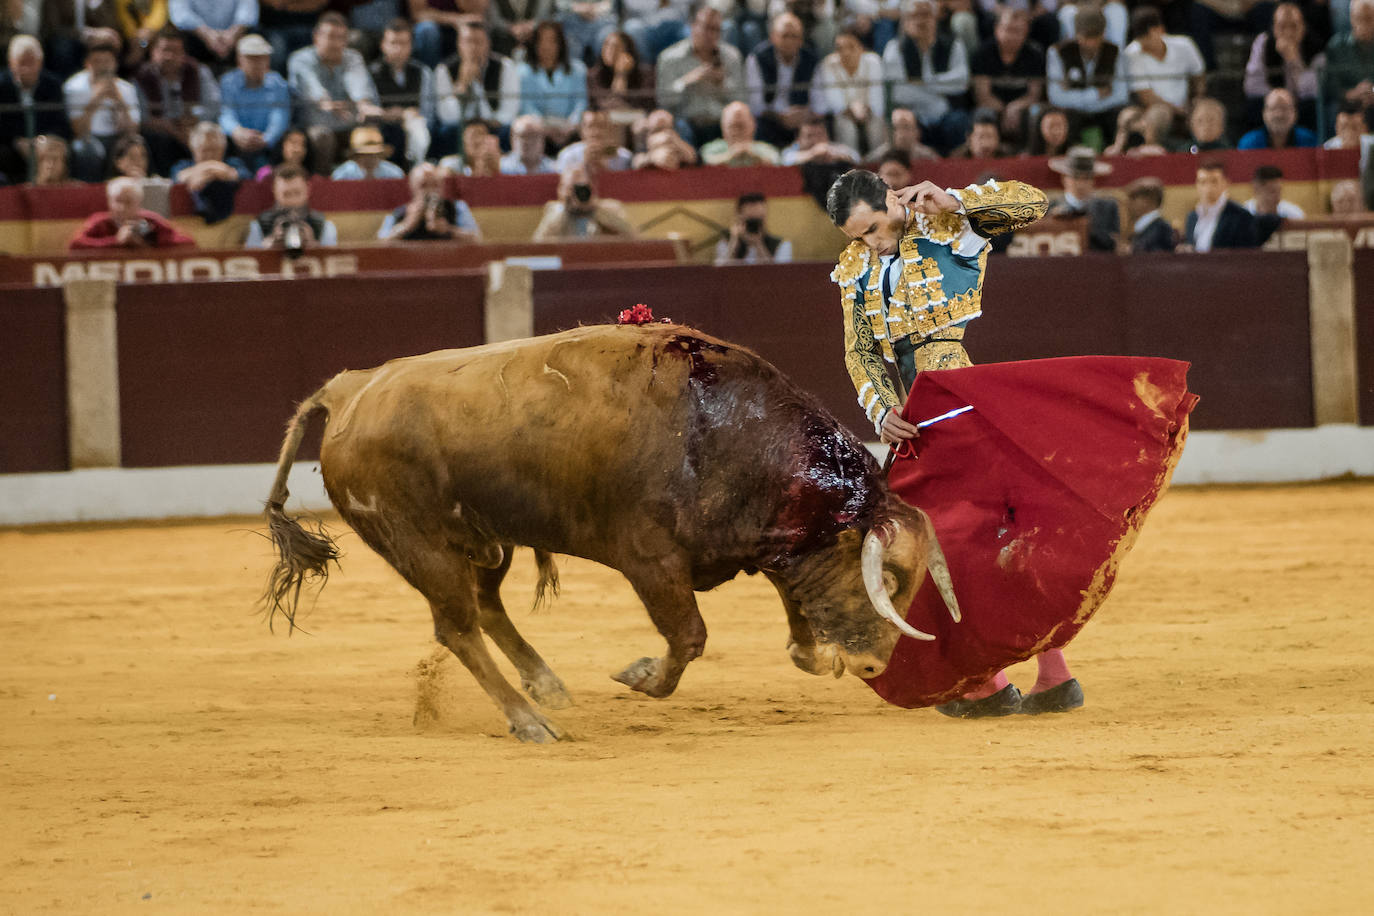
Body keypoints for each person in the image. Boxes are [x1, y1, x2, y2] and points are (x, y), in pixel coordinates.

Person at [824, 168, 1077, 718]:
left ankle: (1000, 681)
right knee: (983, 539)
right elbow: (859, 352)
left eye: (874, 227)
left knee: (963, 541)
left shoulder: (945, 222)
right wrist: (879, 409)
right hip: (914, 420)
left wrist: (957, 199)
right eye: (859, 237)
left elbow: (1032, 203)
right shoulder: (855, 267)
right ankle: (1045, 676)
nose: (872, 242)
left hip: (959, 402)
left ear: (892, 198)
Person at [288, 11, 383, 173]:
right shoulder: (300, 59)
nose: (336, 43)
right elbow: (311, 85)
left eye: (342, 38)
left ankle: (367, 182)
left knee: (369, 130)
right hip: (316, 129)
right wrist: (326, 103)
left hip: (350, 125)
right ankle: (323, 187)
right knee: (322, 137)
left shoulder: (353, 57)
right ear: (316, 36)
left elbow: (356, 81)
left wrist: (363, 105)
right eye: (331, 37)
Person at [882, 0, 971, 154]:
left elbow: (961, 82)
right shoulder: (894, 48)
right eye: (914, 16)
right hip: (914, 116)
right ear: (905, 20)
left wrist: (922, 83)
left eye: (926, 15)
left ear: (936, 18)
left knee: (960, 121)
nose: (920, 21)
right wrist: (941, 88)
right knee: (901, 125)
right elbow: (900, 92)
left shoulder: (953, 44)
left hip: (945, 115)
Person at [654, 4, 745, 147]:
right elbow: (664, 100)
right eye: (706, 27)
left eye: (716, 29)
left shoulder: (731, 57)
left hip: (721, 124)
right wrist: (687, 81)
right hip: (686, 124)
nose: (711, 35)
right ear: (692, 26)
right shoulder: (669, 58)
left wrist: (723, 83)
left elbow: (742, 101)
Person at [1047, 4, 1129, 145]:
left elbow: (1121, 95)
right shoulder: (1057, 52)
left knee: (1123, 116)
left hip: (1106, 111)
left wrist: (1085, 103)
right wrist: (1095, 94)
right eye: (1086, 37)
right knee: (1063, 119)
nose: (1091, 43)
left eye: (1095, 37)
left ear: (1103, 34)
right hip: (1073, 112)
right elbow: (1056, 97)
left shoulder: (1115, 52)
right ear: (1076, 34)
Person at [63, 35, 141, 181]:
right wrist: (96, 100)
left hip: (117, 139)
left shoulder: (126, 89)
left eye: (107, 62)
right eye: (97, 62)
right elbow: (78, 131)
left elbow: (132, 131)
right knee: (85, 150)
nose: (103, 67)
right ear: (87, 64)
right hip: (89, 138)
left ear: (115, 64)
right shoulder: (74, 87)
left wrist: (120, 102)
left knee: (136, 147)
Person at [434, 21, 521, 148]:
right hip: (461, 128)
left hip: (494, 127)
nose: (473, 48)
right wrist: (462, 85)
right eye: (468, 42)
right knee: (446, 132)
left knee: (508, 131)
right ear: (459, 44)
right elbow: (447, 116)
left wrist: (479, 86)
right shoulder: (444, 70)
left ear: (488, 44)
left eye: (478, 42)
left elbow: (509, 112)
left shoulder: (505, 66)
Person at [134, 27, 208, 174]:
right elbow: (140, 116)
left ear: (183, 54)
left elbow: (213, 106)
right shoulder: (141, 76)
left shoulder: (198, 72)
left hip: (192, 130)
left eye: (175, 51)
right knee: (158, 140)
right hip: (160, 133)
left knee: (208, 137)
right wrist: (169, 128)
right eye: (164, 50)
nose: (169, 56)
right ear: (153, 52)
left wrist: (193, 122)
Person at [0, 35, 70, 184]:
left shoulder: (53, 85)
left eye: (31, 63)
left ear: (40, 63)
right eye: (21, 63)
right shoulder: (2, 84)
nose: (26, 68)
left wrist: (45, 141)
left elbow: (60, 122)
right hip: (10, 145)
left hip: (45, 143)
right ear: (11, 63)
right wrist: (17, 141)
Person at [970, 8, 1045, 146]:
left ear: (1026, 32)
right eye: (1007, 29)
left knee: (1035, 113)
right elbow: (982, 95)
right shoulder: (983, 53)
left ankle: (1028, 153)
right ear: (997, 29)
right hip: (992, 104)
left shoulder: (1035, 54)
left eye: (1017, 31)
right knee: (984, 114)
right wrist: (1004, 111)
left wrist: (1015, 108)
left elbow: (1034, 94)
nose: (1011, 36)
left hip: (1021, 105)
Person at [1243, 2, 1324, 129]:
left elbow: (1313, 91)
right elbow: (1251, 85)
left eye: (1293, 26)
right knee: (1254, 105)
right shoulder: (1263, 43)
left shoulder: (1316, 48)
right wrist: (1278, 100)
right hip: (1272, 104)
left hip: (1300, 105)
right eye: (1282, 26)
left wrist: (1294, 61)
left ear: (1303, 27)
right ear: (1274, 28)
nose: (1288, 32)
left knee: (1313, 106)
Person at [744, 11, 819, 148]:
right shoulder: (757, 58)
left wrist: (804, 113)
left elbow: (820, 102)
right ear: (773, 37)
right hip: (770, 119)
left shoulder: (811, 60)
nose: (789, 41)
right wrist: (780, 116)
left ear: (801, 40)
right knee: (759, 125)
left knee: (821, 125)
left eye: (794, 36)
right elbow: (756, 105)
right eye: (784, 36)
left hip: (802, 119)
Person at [219, 33, 291, 175]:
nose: (256, 63)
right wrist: (238, 132)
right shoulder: (228, 82)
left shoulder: (278, 83)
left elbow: (280, 116)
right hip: (237, 142)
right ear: (240, 60)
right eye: (251, 58)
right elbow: (226, 114)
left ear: (268, 61)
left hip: (268, 143)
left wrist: (266, 138)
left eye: (261, 58)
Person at [370, 18, 437, 167]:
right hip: (385, 129)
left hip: (417, 126)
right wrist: (394, 115)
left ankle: (419, 166)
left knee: (423, 131)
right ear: (383, 45)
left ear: (411, 46)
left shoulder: (423, 72)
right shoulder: (372, 73)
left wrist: (412, 116)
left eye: (404, 43)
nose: (398, 49)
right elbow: (371, 110)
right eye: (393, 43)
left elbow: (429, 112)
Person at [1123, 6, 1206, 123]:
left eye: (1148, 38)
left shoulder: (1185, 44)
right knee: (1158, 115)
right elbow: (1146, 96)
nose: (1144, 45)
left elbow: (1198, 76)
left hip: (1187, 106)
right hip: (1156, 112)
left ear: (1160, 29)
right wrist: (1178, 110)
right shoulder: (1132, 54)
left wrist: (1197, 99)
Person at [69, 175, 195, 249]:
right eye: (118, 201)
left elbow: (188, 242)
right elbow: (75, 244)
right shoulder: (101, 222)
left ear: (138, 204)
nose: (122, 207)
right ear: (109, 202)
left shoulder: (151, 221)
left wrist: (151, 241)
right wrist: (116, 241)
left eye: (128, 202)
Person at [816, 26, 887, 158]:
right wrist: (851, 110)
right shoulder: (828, 64)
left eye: (851, 47)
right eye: (840, 48)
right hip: (844, 114)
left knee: (876, 124)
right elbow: (834, 101)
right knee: (846, 127)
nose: (845, 53)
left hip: (870, 112)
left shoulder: (873, 61)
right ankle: (850, 167)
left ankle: (876, 164)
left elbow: (877, 98)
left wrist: (866, 111)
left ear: (861, 48)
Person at [519, 19, 588, 149]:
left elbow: (580, 103)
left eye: (552, 41)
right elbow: (527, 106)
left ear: (560, 44)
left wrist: (570, 127)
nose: (546, 46)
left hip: (570, 130)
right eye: (542, 41)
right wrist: (545, 128)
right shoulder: (523, 72)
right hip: (539, 130)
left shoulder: (577, 69)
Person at [379, 161, 483, 242]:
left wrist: (449, 230)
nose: (430, 191)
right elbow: (381, 243)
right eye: (423, 186)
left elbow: (477, 238)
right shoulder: (401, 212)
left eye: (435, 185)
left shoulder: (457, 207)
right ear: (413, 188)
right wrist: (406, 226)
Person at [245, 163, 339, 249]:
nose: (292, 201)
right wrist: (267, 248)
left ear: (308, 188)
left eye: (297, 193)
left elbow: (332, 259)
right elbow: (248, 261)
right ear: (274, 190)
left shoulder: (324, 225)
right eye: (286, 194)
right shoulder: (259, 225)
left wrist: (314, 247)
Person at [532, 163, 635, 239]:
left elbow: (632, 237)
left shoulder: (610, 208)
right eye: (571, 189)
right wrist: (566, 211)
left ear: (592, 188)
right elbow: (539, 242)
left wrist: (596, 211)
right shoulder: (555, 210)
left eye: (582, 189)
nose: (577, 194)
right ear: (560, 190)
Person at [1047, 144, 1120, 251]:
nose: (1081, 184)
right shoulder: (1049, 209)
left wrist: (1087, 225)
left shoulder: (1108, 208)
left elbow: (1113, 245)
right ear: (1064, 178)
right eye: (1076, 177)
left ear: (1093, 180)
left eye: (1086, 178)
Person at [1184, 161, 1260, 251]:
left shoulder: (1241, 216)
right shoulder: (1192, 217)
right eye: (1202, 182)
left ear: (1226, 183)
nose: (1208, 187)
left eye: (1214, 181)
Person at [1322, 0, 1374, 129]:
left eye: (1368, 18)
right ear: (1351, 18)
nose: (1363, 23)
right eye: (1359, 18)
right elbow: (1330, 85)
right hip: (1348, 104)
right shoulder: (1336, 46)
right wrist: (1351, 93)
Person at [587, 30, 656, 120]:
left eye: (615, 47)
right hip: (606, 120)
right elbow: (607, 104)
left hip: (636, 119)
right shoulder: (594, 75)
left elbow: (645, 106)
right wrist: (620, 76)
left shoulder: (645, 74)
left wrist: (623, 74)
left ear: (627, 51)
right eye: (606, 45)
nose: (609, 51)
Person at [169, 0, 259, 69]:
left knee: (255, 39)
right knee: (175, 37)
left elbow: (248, 12)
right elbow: (180, 15)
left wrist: (231, 36)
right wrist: (208, 35)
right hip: (197, 39)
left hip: (234, 37)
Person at [714, 191, 792, 263]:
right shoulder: (726, 243)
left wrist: (759, 245)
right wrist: (734, 242)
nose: (753, 225)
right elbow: (721, 272)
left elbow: (779, 274)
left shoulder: (781, 245)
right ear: (739, 218)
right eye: (750, 221)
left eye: (758, 221)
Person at [700, 100, 782, 165]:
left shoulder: (765, 149)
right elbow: (705, 161)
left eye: (741, 126)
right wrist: (731, 156)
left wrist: (754, 156)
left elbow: (776, 161)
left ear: (752, 125)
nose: (737, 131)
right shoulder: (712, 149)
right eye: (732, 126)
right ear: (723, 127)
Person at [555, 107, 634, 171]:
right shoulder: (568, 156)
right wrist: (585, 164)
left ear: (609, 129)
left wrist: (602, 166)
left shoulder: (623, 157)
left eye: (601, 126)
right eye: (590, 126)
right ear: (582, 130)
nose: (596, 132)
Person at [1238, 87, 1318, 149]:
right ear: (1264, 114)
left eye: (1284, 108)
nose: (1279, 114)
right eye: (1273, 109)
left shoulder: (1309, 140)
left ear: (1295, 113)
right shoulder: (1249, 143)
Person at [865, 107, 940, 163]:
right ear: (887, 132)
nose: (902, 134)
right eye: (895, 128)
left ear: (917, 132)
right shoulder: (875, 159)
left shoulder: (929, 157)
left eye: (906, 127)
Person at [780, 114, 860, 166]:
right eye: (809, 136)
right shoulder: (793, 150)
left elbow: (857, 158)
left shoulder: (835, 148)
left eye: (820, 134)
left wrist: (839, 157)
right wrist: (812, 154)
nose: (815, 140)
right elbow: (784, 160)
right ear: (798, 139)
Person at [331, 126, 407, 180]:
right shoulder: (343, 175)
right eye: (364, 155)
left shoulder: (393, 173)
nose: (370, 159)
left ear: (380, 155)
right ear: (356, 157)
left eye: (374, 155)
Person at [1124, 175, 1177, 252]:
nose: (1129, 203)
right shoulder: (1142, 226)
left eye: (1134, 198)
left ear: (1149, 199)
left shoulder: (1161, 227)